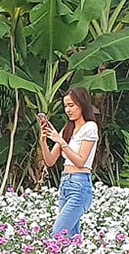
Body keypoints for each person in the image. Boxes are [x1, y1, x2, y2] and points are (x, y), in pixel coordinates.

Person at [39, 87, 100, 240]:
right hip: (65, 184)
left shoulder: (90, 127)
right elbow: (50, 160)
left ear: (82, 104)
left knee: (57, 235)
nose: (68, 110)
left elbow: (81, 161)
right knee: (71, 236)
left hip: (80, 185)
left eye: (71, 105)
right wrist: (43, 140)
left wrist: (61, 142)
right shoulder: (67, 129)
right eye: (65, 106)